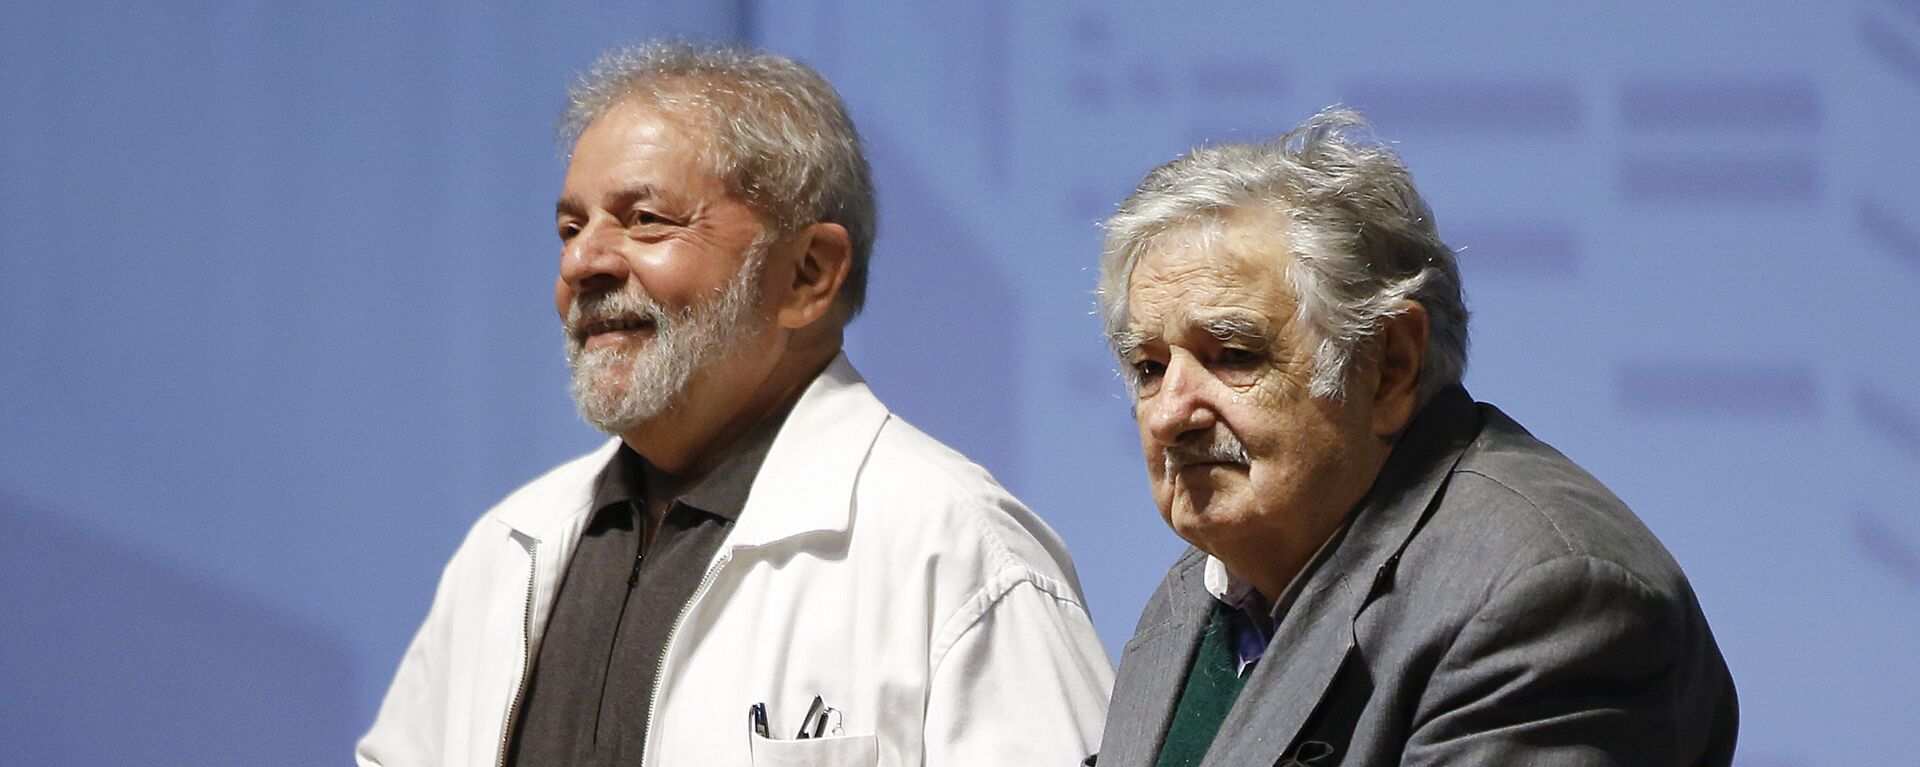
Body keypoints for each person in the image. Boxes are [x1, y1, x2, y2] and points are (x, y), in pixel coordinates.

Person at [358, 42, 1113, 767]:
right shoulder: (503, 552)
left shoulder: (955, 550)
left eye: (646, 218)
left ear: (807, 275)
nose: (581, 261)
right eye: (571, 226)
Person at [1090, 108, 1737, 766]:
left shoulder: (1543, 597)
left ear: (1391, 365)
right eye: (1150, 368)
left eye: (1232, 354)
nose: (1170, 414)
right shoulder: (1204, 589)